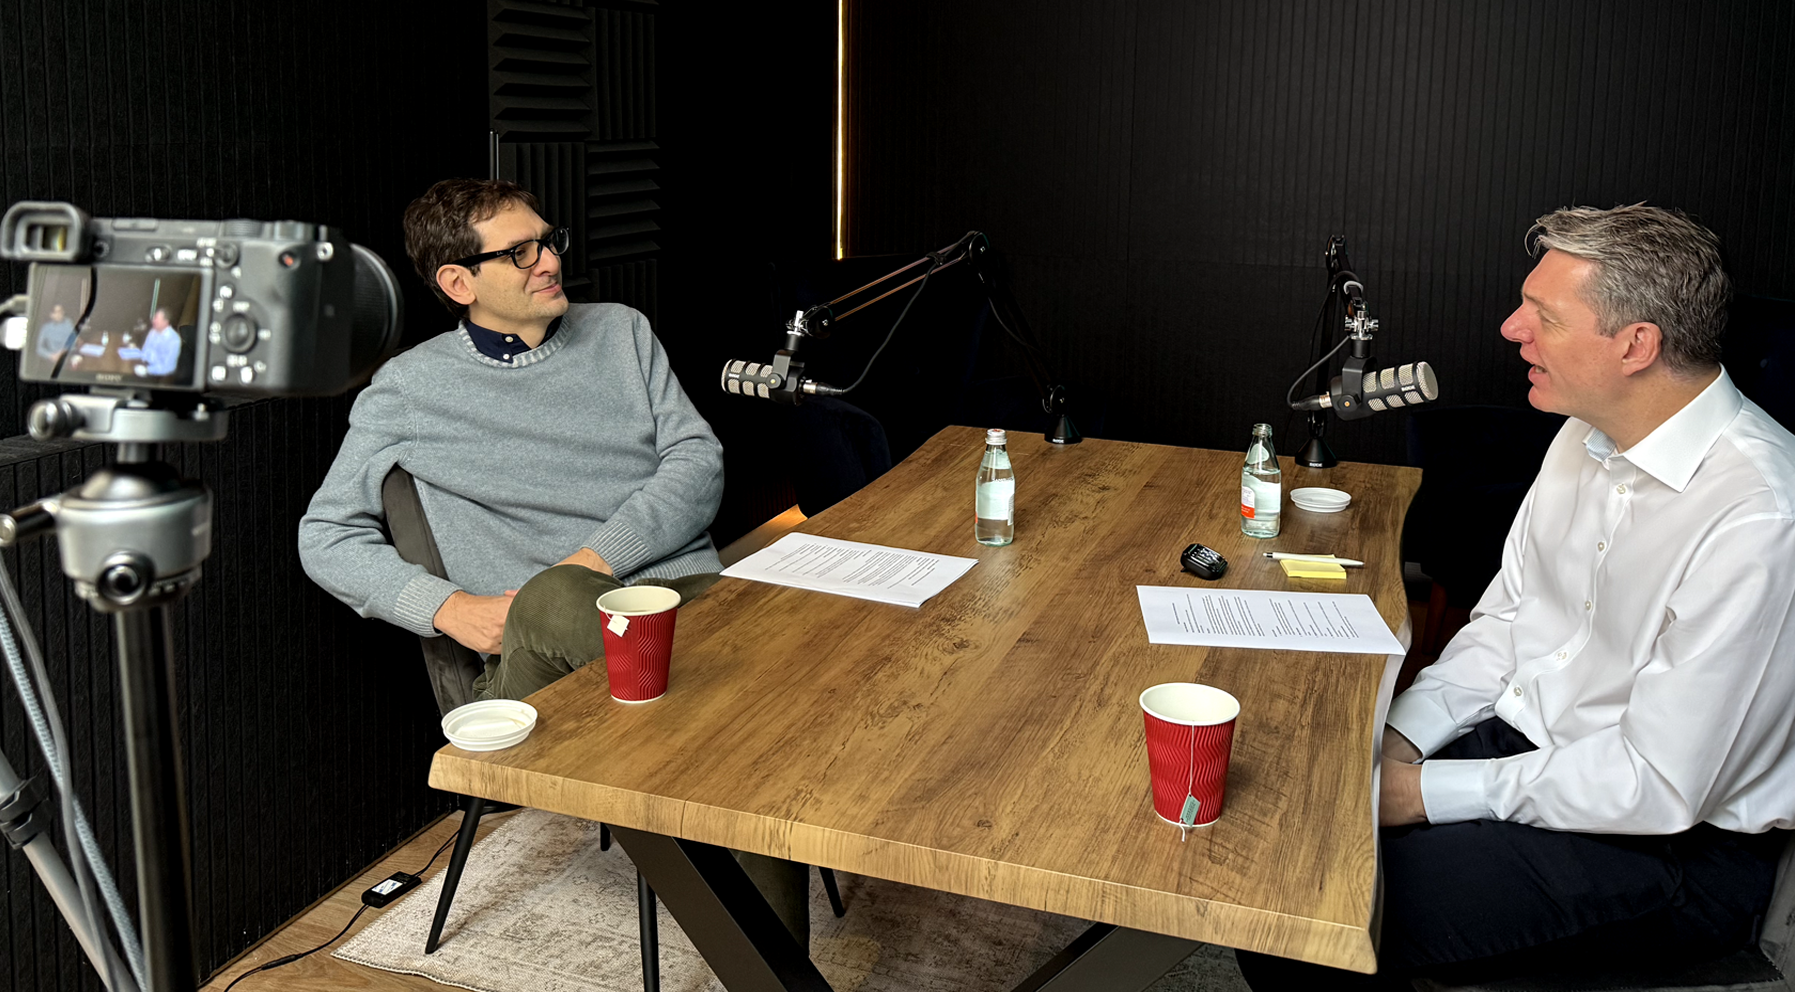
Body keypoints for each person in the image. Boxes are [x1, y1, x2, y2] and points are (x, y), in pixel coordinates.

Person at [1238, 204, 1795, 989]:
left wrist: (1418, 794)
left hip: (1672, 844)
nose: (1510, 329)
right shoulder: (1582, 433)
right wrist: (1398, 741)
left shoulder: (1761, 518)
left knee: (1305, 920)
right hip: (1530, 749)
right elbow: (1505, 624)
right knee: (1279, 837)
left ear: (1635, 345)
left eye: (1544, 316)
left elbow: (1658, 783)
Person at [298, 178, 809, 943]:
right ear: (458, 283)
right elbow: (326, 534)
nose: (548, 261)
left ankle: (765, 926)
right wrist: (448, 610)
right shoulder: (407, 388)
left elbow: (697, 461)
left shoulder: (622, 333)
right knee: (558, 597)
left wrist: (598, 558)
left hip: (683, 607)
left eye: (547, 240)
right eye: (519, 252)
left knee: (810, 609)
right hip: (541, 654)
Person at [141, 308, 182, 376]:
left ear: (166, 322)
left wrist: (147, 370)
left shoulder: (174, 339)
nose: (153, 321)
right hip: (145, 367)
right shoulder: (153, 331)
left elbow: (168, 367)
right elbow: (144, 351)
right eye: (154, 318)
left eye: (156, 319)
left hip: (161, 375)